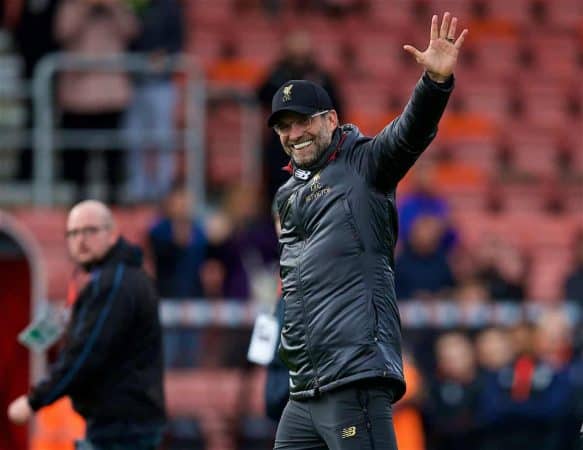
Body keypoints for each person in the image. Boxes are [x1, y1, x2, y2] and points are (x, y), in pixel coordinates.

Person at [269, 12, 467, 449]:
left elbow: (408, 134)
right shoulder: (288, 193)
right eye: (284, 126)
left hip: (355, 377)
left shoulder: (364, 164)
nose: (294, 133)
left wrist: (434, 84)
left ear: (332, 119)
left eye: (304, 121)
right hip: (305, 389)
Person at [7, 200, 166, 450]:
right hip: (124, 421)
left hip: (120, 425)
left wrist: (34, 400)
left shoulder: (113, 284)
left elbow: (86, 351)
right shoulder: (118, 277)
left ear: (112, 234)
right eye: (73, 233)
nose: (81, 240)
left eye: (90, 231)